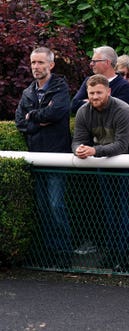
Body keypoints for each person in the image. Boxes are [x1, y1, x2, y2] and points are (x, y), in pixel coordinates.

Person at [15, 47, 73, 268]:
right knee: (43, 207)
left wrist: (33, 117)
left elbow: (57, 113)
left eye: (40, 63)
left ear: (51, 65)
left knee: (56, 205)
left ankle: (64, 253)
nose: (36, 67)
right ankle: (50, 252)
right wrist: (38, 120)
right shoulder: (28, 92)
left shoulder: (60, 88)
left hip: (57, 156)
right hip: (36, 157)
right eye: (33, 63)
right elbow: (21, 121)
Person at [72, 74, 129, 273]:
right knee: (109, 210)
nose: (94, 96)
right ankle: (111, 253)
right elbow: (77, 139)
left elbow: (121, 146)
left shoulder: (123, 109)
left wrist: (93, 151)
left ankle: (122, 256)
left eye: (99, 92)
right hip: (102, 161)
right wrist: (79, 150)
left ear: (108, 91)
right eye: (91, 93)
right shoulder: (84, 111)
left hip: (126, 162)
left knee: (122, 209)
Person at [71, 45, 129, 114]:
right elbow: (74, 105)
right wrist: (103, 102)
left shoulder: (124, 85)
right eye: (92, 93)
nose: (91, 64)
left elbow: (118, 111)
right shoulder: (89, 81)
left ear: (107, 62)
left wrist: (88, 101)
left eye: (95, 61)